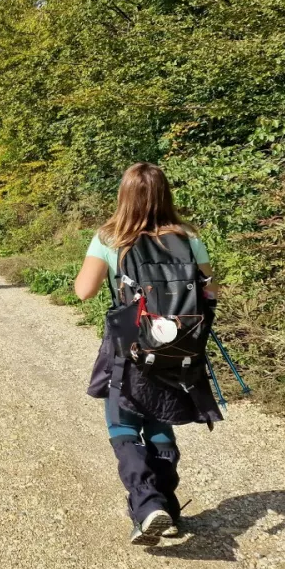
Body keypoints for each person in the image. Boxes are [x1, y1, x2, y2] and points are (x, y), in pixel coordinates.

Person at [74, 163, 221, 546]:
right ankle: (167, 507)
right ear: (166, 194)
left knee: (123, 422)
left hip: (129, 345)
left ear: (124, 195)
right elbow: (212, 293)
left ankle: (147, 504)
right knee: (161, 419)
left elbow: (83, 291)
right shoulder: (188, 237)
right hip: (179, 348)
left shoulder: (110, 237)